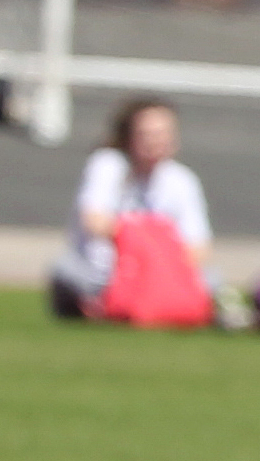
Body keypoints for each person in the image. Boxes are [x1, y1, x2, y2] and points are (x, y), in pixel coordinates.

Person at [48, 97, 211, 320]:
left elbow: (198, 246)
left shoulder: (182, 180)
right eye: (146, 134)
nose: (155, 142)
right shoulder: (108, 166)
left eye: (162, 133)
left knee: (211, 278)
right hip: (107, 270)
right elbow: (93, 220)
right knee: (67, 271)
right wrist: (144, 240)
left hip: (161, 271)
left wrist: (158, 260)